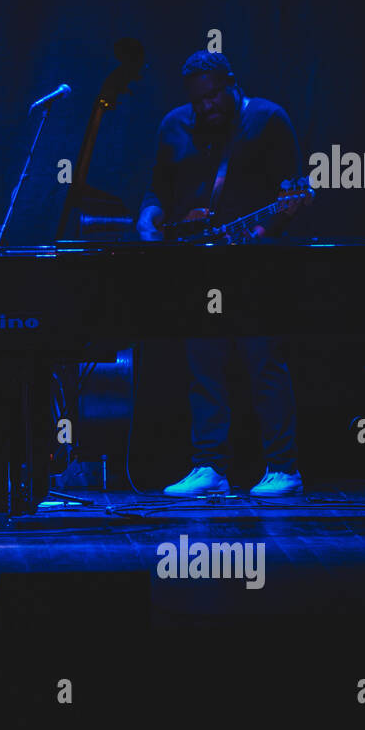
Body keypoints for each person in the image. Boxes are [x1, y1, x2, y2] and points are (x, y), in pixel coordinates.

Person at [137, 51, 303, 497]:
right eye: (198, 99)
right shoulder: (174, 125)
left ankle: (284, 467)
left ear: (233, 83)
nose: (206, 106)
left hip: (256, 267)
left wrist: (261, 231)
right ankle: (210, 466)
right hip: (197, 266)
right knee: (203, 367)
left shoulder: (268, 119)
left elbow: (293, 192)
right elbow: (157, 186)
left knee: (264, 363)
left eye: (214, 96)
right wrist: (149, 216)